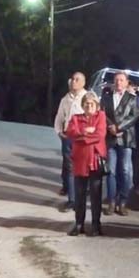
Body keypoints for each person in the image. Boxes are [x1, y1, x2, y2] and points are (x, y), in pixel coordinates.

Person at [66, 92, 107, 236]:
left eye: (92, 104)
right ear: (82, 105)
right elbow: (70, 132)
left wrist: (82, 137)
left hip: (95, 160)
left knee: (96, 195)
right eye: (86, 103)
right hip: (80, 161)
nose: (89, 106)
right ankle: (79, 224)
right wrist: (86, 132)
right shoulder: (76, 118)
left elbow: (100, 134)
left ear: (96, 105)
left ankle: (96, 225)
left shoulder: (101, 116)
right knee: (79, 195)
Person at [101, 72, 139, 215]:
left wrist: (119, 127)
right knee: (111, 171)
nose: (118, 82)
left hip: (126, 138)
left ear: (127, 82)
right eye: (116, 80)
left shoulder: (132, 98)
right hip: (110, 138)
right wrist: (111, 127)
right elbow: (102, 114)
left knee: (125, 171)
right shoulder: (105, 98)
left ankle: (123, 201)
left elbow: (134, 115)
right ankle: (111, 201)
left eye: (121, 80)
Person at [54, 72, 87, 212]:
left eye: (77, 79)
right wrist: (59, 132)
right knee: (70, 167)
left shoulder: (88, 98)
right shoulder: (65, 99)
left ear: (83, 83)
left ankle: (82, 198)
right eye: (72, 79)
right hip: (68, 137)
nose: (74, 81)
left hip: (83, 138)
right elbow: (60, 116)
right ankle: (72, 200)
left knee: (83, 168)